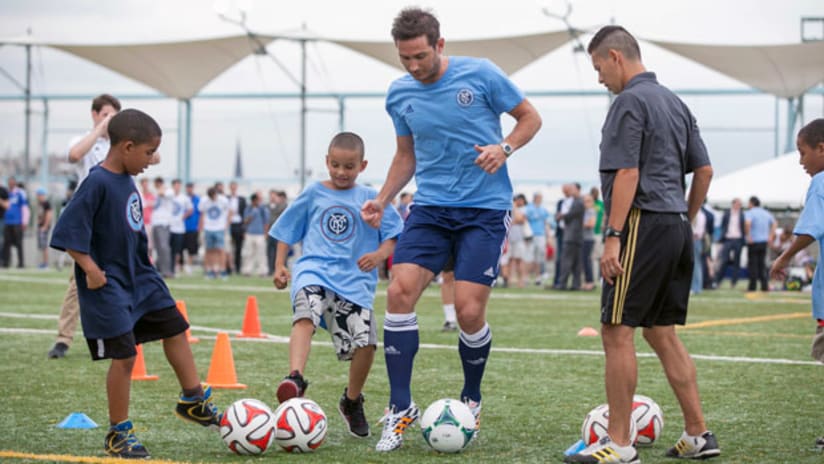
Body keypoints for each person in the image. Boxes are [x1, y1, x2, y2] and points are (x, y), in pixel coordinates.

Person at [359, 7, 542, 452]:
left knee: (468, 311)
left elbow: (530, 118)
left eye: (421, 56)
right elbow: (407, 155)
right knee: (400, 291)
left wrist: (504, 148)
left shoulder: (481, 75)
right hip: (431, 207)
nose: (414, 67)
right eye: (405, 59)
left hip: (484, 209)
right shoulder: (399, 94)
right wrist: (382, 198)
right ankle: (400, 408)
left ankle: (471, 398)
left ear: (439, 45)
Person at [565, 26, 719, 463]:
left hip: (639, 224)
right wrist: (683, 219)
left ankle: (620, 443)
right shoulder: (674, 101)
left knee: (616, 332)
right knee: (661, 332)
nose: (599, 79)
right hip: (673, 225)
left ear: (615, 57)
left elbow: (627, 173)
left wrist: (613, 236)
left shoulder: (628, 101)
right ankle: (698, 435)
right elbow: (704, 171)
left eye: (598, 68)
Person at [49, 109, 220, 459]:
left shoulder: (127, 177)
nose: (151, 161)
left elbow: (128, 222)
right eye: (147, 153)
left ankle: (193, 399)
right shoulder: (96, 182)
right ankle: (118, 432)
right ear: (126, 147)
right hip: (108, 283)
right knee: (125, 356)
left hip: (141, 277)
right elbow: (67, 232)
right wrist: (91, 269)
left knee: (176, 327)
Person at [271, 132, 403, 439]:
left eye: (349, 166)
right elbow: (286, 229)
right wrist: (279, 265)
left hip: (354, 282)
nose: (341, 172)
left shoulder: (371, 197)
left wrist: (379, 254)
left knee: (367, 343)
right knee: (306, 314)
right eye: (335, 165)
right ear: (326, 162)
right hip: (313, 272)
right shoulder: (314, 192)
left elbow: (394, 234)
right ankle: (295, 378)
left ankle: (352, 401)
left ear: (362, 165)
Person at [770, 119, 824, 447]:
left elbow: (811, 228)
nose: (801, 161)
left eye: (802, 152)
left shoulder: (820, 181)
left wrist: (784, 257)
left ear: (822, 148)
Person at [555, 183, 584, 290]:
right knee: (576, 262)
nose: (570, 191)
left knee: (566, 260)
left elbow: (569, 215)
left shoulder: (578, 202)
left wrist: (560, 216)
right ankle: (576, 284)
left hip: (571, 236)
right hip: (576, 236)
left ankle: (562, 283)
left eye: (572, 189)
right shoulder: (578, 201)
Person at [744, 195, 776, 292]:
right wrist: (771, 236)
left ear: (752, 203)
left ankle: (752, 287)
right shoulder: (766, 213)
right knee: (762, 264)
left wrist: (748, 236)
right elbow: (774, 223)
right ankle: (764, 286)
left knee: (753, 264)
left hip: (753, 242)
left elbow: (747, 223)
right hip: (764, 242)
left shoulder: (750, 213)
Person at [198, 186, 230, 279]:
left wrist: (226, 224)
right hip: (208, 228)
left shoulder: (223, 200)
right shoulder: (204, 201)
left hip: (219, 228)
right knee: (209, 250)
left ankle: (222, 270)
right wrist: (201, 227)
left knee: (221, 249)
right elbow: (202, 214)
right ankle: (210, 270)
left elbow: (230, 211)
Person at [715, 198, 745, 288]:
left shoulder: (742, 214)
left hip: (738, 239)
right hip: (727, 239)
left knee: (737, 262)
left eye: (740, 204)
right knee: (724, 261)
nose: (739, 206)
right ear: (733, 204)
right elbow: (723, 226)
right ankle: (718, 281)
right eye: (737, 204)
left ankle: (733, 282)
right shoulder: (727, 213)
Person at [241, 192, 269, 277]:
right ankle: (247, 270)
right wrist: (252, 214)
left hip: (260, 234)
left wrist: (265, 233)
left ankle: (262, 271)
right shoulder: (248, 209)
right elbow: (245, 221)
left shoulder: (263, 209)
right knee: (248, 253)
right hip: (250, 233)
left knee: (261, 253)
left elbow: (266, 222)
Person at [525, 192, 551, 286]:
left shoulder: (543, 209)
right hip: (531, 235)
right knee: (529, 257)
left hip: (541, 235)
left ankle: (538, 277)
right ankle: (526, 277)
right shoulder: (529, 208)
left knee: (539, 257)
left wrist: (548, 236)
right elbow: (525, 220)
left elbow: (546, 223)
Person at [169, 178, 193, 277]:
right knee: (169, 249)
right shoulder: (169, 196)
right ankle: (169, 267)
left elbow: (191, 209)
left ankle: (175, 267)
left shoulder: (184, 198)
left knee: (177, 250)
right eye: (175, 185)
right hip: (169, 227)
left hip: (179, 228)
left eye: (179, 185)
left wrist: (183, 217)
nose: (177, 187)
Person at [2, 176, 27, 268]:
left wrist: (24, 221)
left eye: (12, 182)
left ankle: (21, 263)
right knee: (6, 243)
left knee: (19, 243)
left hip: (17, 222)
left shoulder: (20, 193)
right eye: (9, 182)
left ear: (15, 183)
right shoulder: (6, 193)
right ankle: (5, 262)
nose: (11, 184)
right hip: (7, 221)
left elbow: (24, 208)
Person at [151, 177, 173, 278]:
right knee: (158, 248)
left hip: (164, 223)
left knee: (164, 247)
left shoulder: (168, 191)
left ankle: (167, 270)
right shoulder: (156, 193)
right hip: (155, 223)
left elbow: (162, 193)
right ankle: (160, 269)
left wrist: (161, 187)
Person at [265, 189, 287, 276]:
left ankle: (281, 269)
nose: (272, 198)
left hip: (279, 233)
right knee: (270, 252)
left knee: (280, 251)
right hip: (270, 232)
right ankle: (270, 269)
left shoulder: (282, 206)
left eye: (274, 196)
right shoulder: (267, 206)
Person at [228, 180, 246, 275]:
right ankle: (229, 268)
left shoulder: (242, 199)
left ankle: (238, 267)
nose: (233, 188)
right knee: (229, 248)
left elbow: (244, 213)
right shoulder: (226, 199)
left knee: (238, 248)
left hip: (238, 225)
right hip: (229, 225)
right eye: (232, 187)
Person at [182, 182, 201, 275]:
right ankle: (181, 265)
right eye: (188, 187)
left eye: (191, 187)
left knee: (191, 248)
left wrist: (199, 226)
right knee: (181, 247)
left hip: (193, 227)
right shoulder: (183, 198)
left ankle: (189, 265)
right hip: (181, 227)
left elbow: (200, 213)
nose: (189, 189)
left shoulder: (197, 199)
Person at [581, 193, 597, 290]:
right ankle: (586, 281)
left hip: (588, 239)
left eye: (588, 201)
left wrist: (579, 223)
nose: (585, 203)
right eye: (584, 201)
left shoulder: (591, 211)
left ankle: (590, 282)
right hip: (583, 238)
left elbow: (591, 224)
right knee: (584, 261)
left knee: (586, 260)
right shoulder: (584, 212)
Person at [36, 187, 53, 269]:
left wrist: (45, 226)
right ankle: (43, 262)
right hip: (41, 226)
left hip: (44, 227)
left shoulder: (46, 203)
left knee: (44, 245)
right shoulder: (40, 204)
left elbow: (49, 215)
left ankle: (46, 263)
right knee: (42, 246)